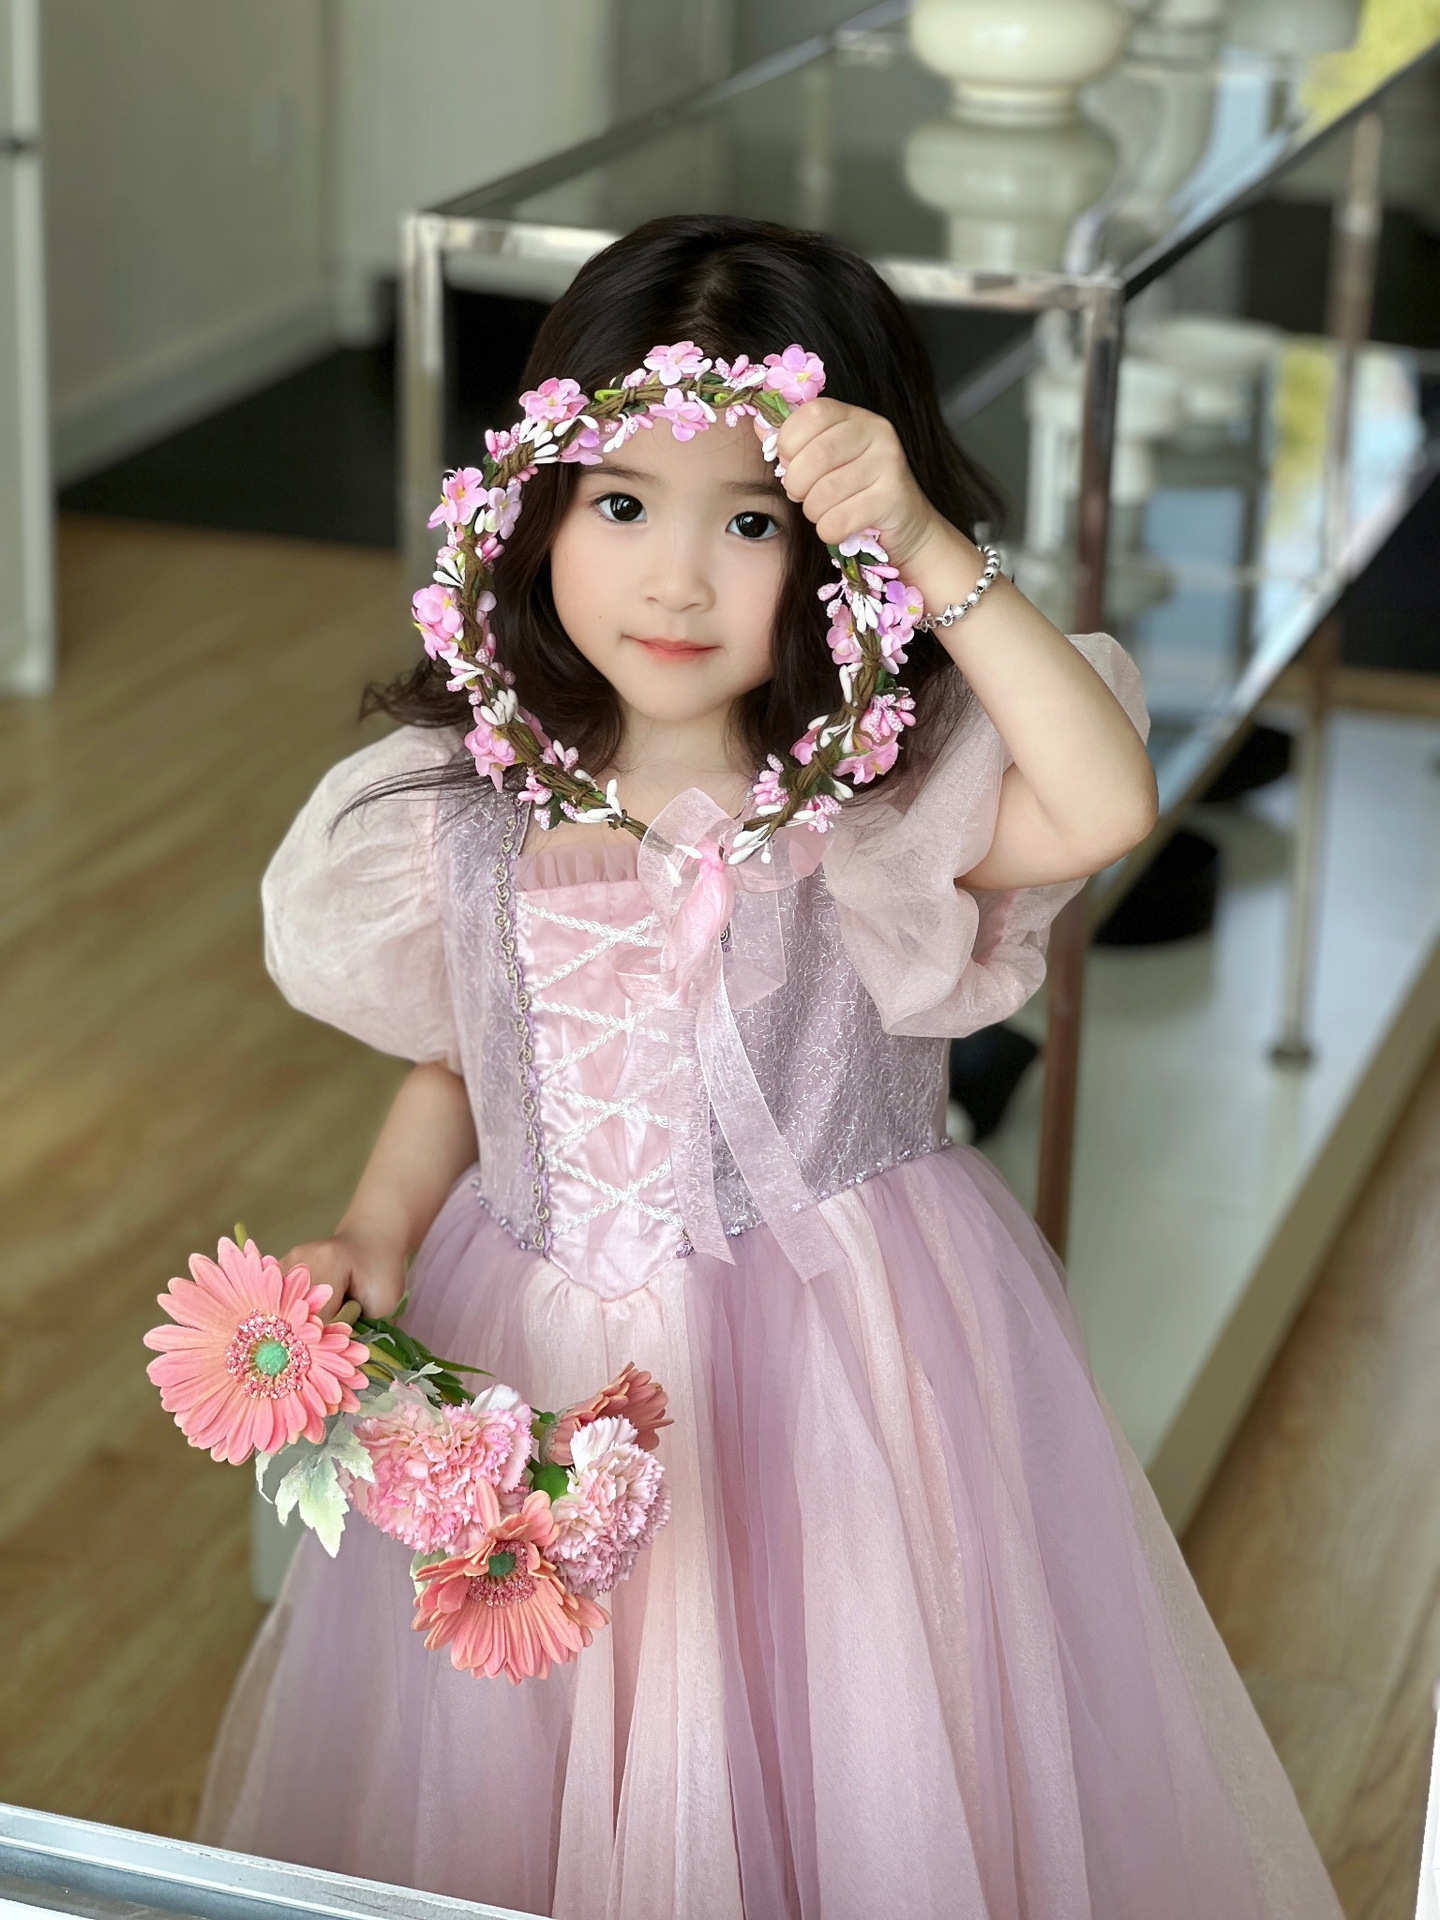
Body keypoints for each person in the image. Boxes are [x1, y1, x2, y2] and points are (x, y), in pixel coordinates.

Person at [194, 215, 1342, 1920]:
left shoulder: (883, 799)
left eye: (750, 523)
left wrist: (932, 545)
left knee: (848, 1717)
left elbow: (1105, 802)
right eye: (622, 506)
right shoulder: (463, 806)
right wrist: (376, 1228)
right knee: (525, 1746)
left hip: (841, 1356)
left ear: (837, 548)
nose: (676, 581)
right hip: (532, 1343)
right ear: (532, 509)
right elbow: (464, 1066)